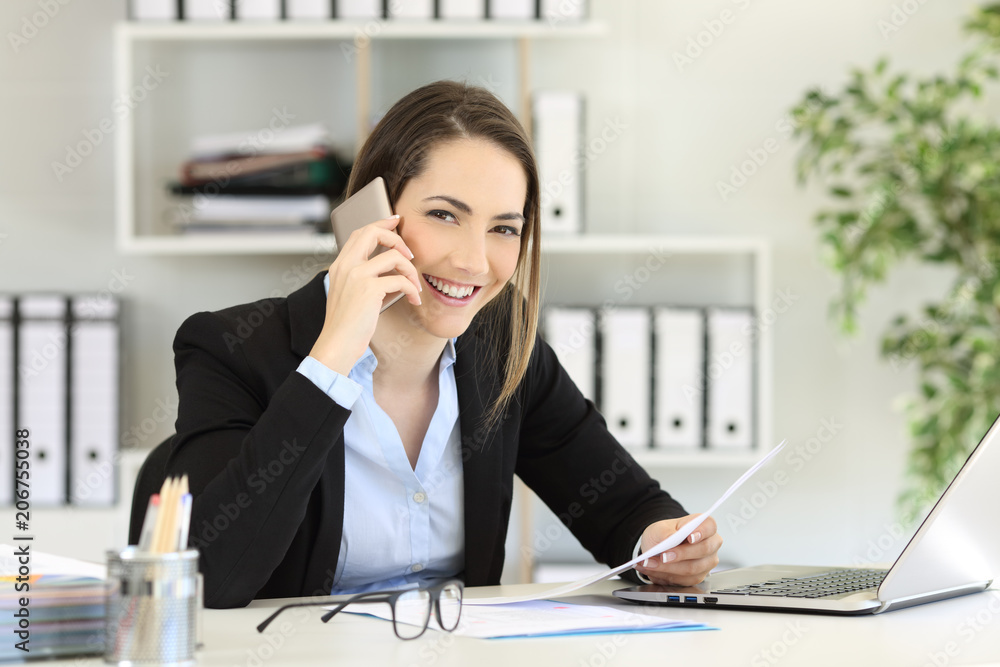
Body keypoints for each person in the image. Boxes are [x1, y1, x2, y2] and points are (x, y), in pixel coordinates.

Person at [166, 80, 722, 609]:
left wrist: (665, 544)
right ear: (371, 211)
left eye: (504, 228)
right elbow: (210, 577)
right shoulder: (230, 351)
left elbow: (619, 504)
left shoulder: (501, 344)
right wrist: (332, 358)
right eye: (444, 215)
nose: (474, 262)